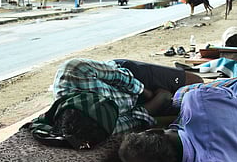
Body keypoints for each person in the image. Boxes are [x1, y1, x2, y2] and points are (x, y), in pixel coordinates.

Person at [27, 58, 203, 149]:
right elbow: (134, 119)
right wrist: (158, 101)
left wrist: (148, 93)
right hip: (141, 106)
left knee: (196, 82)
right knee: (193, 101)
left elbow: (119, 76)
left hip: (132, 79)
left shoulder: (74, 71)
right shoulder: (98, 129)